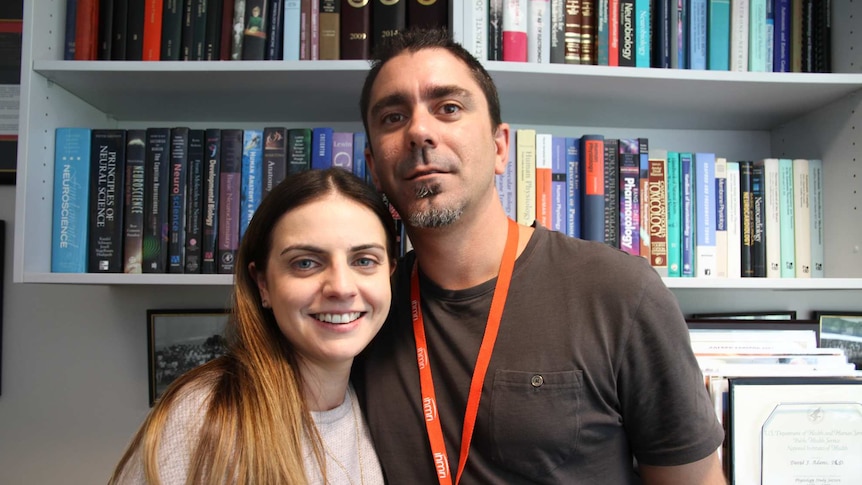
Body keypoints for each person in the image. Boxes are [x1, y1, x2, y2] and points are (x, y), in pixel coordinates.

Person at [354, 28, 727, 484]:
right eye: (393, 117)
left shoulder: (621, 294)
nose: (419, 131)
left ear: (499, 147)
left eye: (448, 108)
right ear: (374, 167)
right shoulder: (359, 312)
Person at [110, 168, 394, 484]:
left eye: (364, 261)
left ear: (390, 275)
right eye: (305, 263)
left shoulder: (381, 402)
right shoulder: (203, 417)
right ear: (263, 285)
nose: (341, 288)